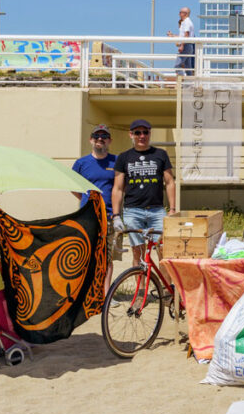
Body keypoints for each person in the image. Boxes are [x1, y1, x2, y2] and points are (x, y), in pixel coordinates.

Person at [111, 119, 177, 267]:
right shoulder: (124, 157)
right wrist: (116, 216)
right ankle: (140, 290)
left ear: (149, 134)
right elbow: (118, 188)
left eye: (145, 132)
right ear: (131, 135)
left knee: (163, 250)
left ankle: (166, 288)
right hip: (133, 211)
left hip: (157, 210)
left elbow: (170, 182)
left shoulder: (160, 154)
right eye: (138, 132)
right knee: (138, 252)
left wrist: (172, 209)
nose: (142, 136)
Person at [71, 124, 117, 289]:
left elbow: (120, 187)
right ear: (91, 139)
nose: (100, 139)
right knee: (86, 255)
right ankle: (87, 291)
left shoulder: (116, 161)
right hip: (87, 217)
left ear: (109, 141)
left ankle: (105, 295)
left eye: (104, 137)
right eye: (96, 136)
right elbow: (73, 186)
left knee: (106, 257)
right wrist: (86, 200)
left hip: (109, 216)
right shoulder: (81, 163)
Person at [167, 7, 195, 76]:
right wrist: (172, 35)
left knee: (177, 65)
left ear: (185, 14)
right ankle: (190, 84)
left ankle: (182, 81)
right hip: (188, 45)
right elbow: (182, 35)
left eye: (180, 12)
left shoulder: (187, 22)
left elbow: (186, 34)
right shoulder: (185, 22)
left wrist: (182, 45)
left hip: (186, 45)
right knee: (188, 67)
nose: (179, 14)